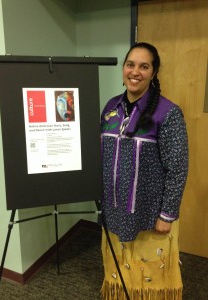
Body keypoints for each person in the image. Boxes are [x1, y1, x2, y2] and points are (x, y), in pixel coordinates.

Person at [100, 42, 188, 300]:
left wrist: (167, 214)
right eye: (130, 64)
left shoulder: (168, 113)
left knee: (149, 279)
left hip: (149, 215)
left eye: (144, 66)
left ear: (153, 72)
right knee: (118, 271)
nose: (135, 71)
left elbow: (178, 168)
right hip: (114, 210)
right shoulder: (111, 108)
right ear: (123, 68)